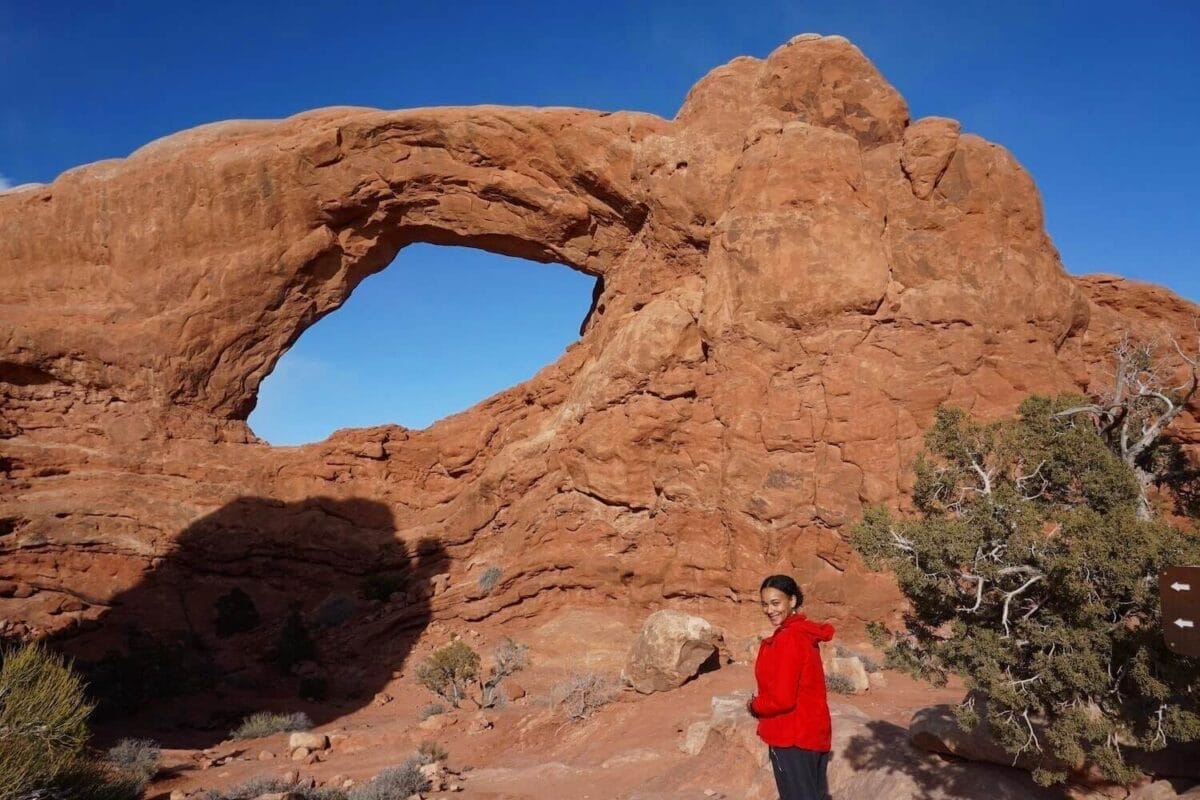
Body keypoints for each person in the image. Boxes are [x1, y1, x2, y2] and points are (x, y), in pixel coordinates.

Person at [747, 574, 835, 800]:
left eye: (776, 603)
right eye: (764, 604)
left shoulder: (789, 639)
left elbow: (782, 699)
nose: (769, 610)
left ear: (792, 601)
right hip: (813, 733)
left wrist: (754, 706)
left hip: (791, 736)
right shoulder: (804, 633)